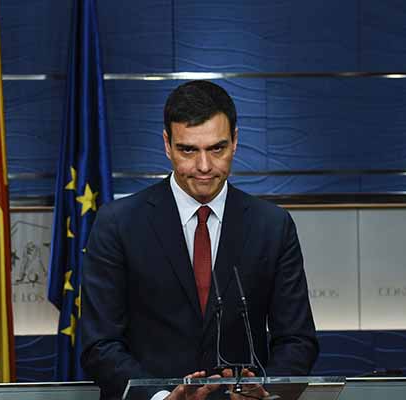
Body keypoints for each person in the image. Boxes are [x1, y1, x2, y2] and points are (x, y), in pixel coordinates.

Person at [80, 80, 319, 399]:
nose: (204, 166)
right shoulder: (117, 224)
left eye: (217, 148)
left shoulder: (272, 226)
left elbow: (297, 340)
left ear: (235, 141)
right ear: (167, 144)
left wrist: (265, 392)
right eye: (188, 150)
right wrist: (161, 397)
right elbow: (99, 344)